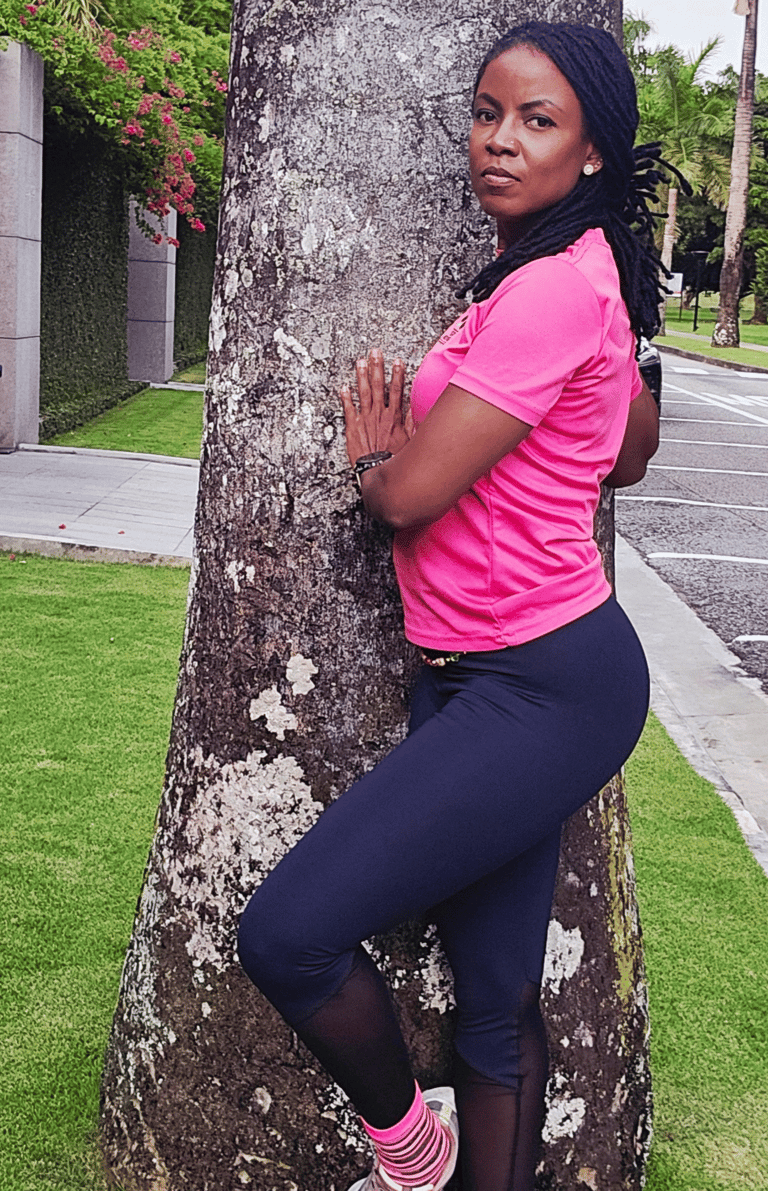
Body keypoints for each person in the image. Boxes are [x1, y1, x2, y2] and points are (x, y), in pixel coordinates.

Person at [238, 21, 669, 1191]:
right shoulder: (584, 278)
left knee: (287, 935)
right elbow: (627, 455)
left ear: (590, 151)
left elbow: (409, 499)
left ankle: (408, 1146)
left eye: (537, 120)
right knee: (491, 1009)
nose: (500, 141)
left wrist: (380, 462)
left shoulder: (547, 292)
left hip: (542, 684)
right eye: (487, 113)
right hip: (493, 675)